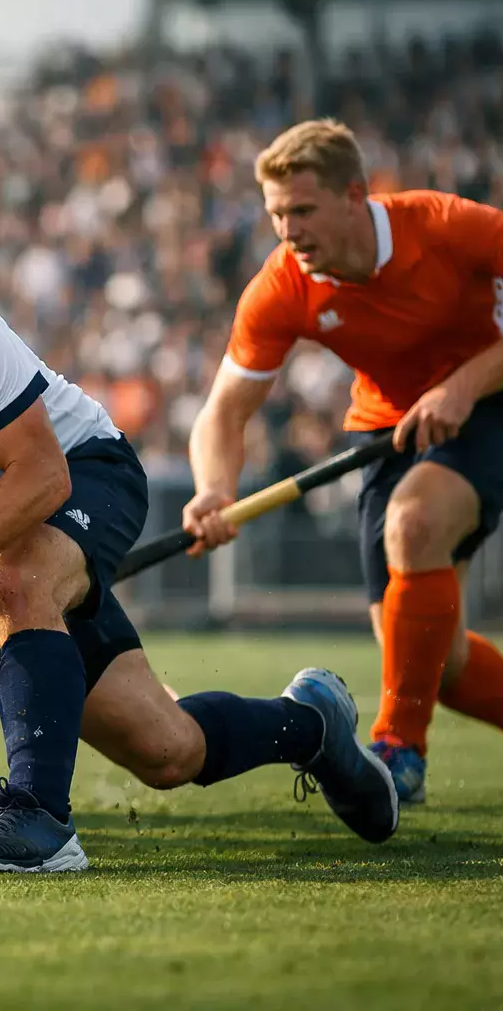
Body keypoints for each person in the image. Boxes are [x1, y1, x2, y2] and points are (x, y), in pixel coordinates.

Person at [0, 240, 399, 873]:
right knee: (167, 752)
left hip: (82, 474)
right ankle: (311, 727)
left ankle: (40, 821)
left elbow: (40, 475)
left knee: (18, 582)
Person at [186, 118, 503, 805]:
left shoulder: (447, 225)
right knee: (428, 662)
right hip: (386, 429)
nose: (287, 230)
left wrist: (466, 384)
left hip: (490, 399)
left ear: (355, 196)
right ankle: (405, 721)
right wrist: (214, 489)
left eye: (303, 210)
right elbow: (223, 412)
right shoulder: (283, 285)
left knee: (414, 524)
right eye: (276, 214)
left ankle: (397, 752)